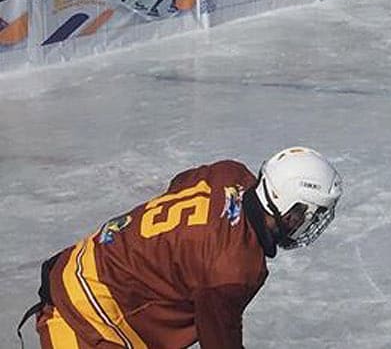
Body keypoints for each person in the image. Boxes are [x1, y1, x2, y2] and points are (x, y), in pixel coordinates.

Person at [21, 147, 341, 349]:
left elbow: (179, 184)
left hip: (95, 278)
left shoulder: (230, 174)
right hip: (83, 310)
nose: (305, 223)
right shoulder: (234, 267)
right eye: (305, 213)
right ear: (286, 204)